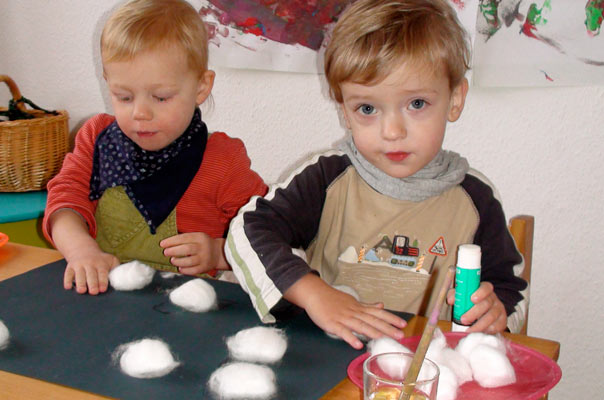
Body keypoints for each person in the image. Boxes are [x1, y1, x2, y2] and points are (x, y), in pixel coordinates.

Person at [225, 0, 527, 349]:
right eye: (367, 108)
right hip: (330, 361)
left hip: (429, 371)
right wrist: (315, 294)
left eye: (416, 104)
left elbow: (511, 292)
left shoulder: (476, 199)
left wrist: (497, 312)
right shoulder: (327, 177)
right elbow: (246, 231)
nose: (392, 131)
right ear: (345, 111)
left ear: (455, 99)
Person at [43, 0, 267, 296]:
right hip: (101, 297)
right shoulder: (96, 137)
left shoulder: (222, 160)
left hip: (188, 307)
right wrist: (82, 251)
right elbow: (63, 204)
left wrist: (220, 253)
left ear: (201, 87)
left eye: (160, 97)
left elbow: (268, 231)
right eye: (123, 97)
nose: (140, 113)